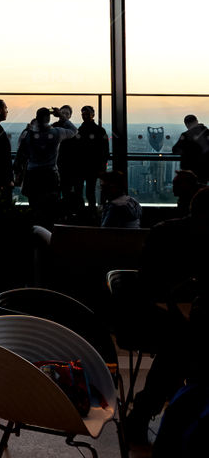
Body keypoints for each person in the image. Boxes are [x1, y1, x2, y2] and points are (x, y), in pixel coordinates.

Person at [126, 188, 209, 444]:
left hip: (161, 312)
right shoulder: (169, 235)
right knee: (184, 346)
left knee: (184, 346)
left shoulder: (165, 231)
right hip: (155, 315)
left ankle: (154, 411)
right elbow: (151, 285)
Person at [14, 106, 77, 229]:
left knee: (34, 207)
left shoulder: (27, 134)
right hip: (50, 174)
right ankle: (49, 232)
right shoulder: (56, 132)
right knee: (50, 207)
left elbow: (21, 154)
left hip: (32, 175)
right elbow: (74, 130)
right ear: (48, 118)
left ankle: (35, 231)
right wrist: (61, 116)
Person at [70, 105, 110, 213]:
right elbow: (105, 151)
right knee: (89, 191)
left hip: (82, 167)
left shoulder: (79, 131)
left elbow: (74, 150)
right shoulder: (100, 130)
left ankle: (82, 212)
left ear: (93, 115)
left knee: (81, 191)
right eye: (84, 114)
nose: (85, 116)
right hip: (92, 167)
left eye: (87, 114)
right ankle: (92, 212)